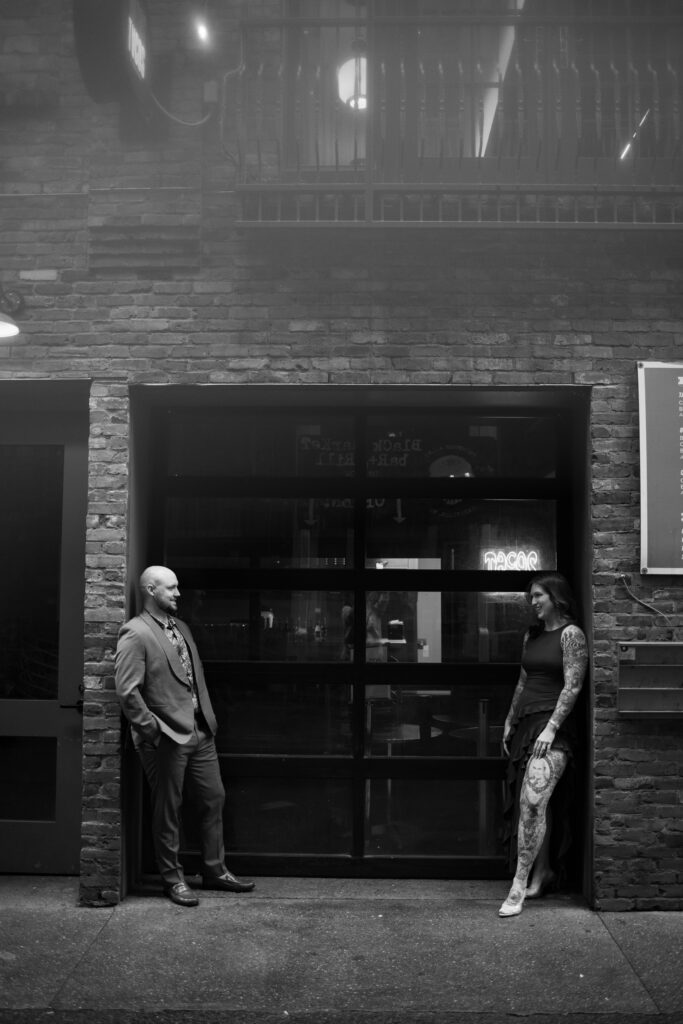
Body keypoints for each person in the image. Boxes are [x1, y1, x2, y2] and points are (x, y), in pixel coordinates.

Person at [115, 565, 255, 907]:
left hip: (200, 731)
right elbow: (128, 692)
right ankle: (172, 880)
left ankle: (215, 871)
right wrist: (152, 732)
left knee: (213, 799)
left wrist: (207, 721)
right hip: (165, 738)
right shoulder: (135, 633)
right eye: (171, 588)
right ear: (151, 590)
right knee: (168, 810)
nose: (178, 593)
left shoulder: (182, 628)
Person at [499, 572, 588, 918]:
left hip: (552, 727)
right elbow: (523, 682)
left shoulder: (571, 635)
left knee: (534, 799)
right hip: (525, 724)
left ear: (556, 597)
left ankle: (518, 886)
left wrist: (551, 729)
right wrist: (509, 720)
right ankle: (543, 872)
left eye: (538, 595)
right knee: (535, 804)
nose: (532, 602)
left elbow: (573, 686)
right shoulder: (532, 635)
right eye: (530, 597)